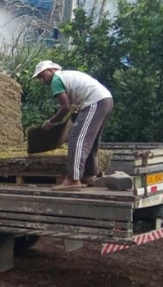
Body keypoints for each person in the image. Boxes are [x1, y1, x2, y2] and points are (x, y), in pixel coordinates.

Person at [33, 60, 113, 191]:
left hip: (95, 102)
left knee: (77, 141)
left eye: (42, 75)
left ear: (51, 70)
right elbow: (71, 107)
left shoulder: (56, 79)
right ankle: (89, 175)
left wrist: (50, 122)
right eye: (39, 78)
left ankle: (73, 180)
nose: (42, 80)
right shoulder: (67, 75)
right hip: (105, 100)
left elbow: (65, 107)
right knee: (90, 142)